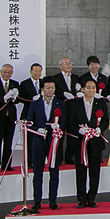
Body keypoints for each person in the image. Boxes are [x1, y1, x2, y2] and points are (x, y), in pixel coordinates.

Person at [67, 76, 109, 208]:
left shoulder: (100, 103)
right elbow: (70, 123)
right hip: (80, 143)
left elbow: (106, 120)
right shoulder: (74, 103)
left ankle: (92, 197)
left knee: (95, 172)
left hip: (96, 143)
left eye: (93, 88)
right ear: (82, 89)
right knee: (80, 172)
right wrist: (80, 131)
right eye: (88, 88)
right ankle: (81, 198)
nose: (91, 90)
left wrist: (99, 129)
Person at [25, 77, 66, 210]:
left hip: (54, 142)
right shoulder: (35, 104)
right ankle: (37, 201)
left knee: (54, 173)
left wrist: (57, 128)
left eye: (52, 87)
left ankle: (53, 200)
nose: (50, 90)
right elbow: (29, 122)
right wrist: (38, 129)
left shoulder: (60, 103)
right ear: (42, 89)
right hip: (38, 141)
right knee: (37, 173)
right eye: (47, 87)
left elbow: (64, 122)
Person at [0, 63, 19, 172]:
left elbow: (18, 100)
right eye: (5, 72)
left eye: (9, 72)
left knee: (8, 142)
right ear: (1, 72)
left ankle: (7, 165)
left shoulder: (15, 84)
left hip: (10, 118)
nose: (7, 74)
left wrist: (15, 97)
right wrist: (5, 98)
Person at [52, 56, 80, 164]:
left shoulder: (76, 78)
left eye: (70, 63)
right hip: (61, 110)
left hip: (74, 110)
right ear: (60, 66)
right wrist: (63, 95)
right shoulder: (55, 78)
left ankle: (69, 158)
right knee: (60, 134)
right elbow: (54, 93)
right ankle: (58, 158)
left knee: (72, 134)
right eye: (66, 63)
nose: (69, 65)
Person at [18, 63, 43, 159]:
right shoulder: (24, 83)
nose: (38, 73)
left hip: (41, 114)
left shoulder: (43, 82)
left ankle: (38, 159)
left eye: (39, 71)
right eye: (35, 71)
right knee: (29, 139)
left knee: (39, 139)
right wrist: (32, 99)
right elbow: (21, 98)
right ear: (30, 71)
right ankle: (28, 160)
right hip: (28, 113)